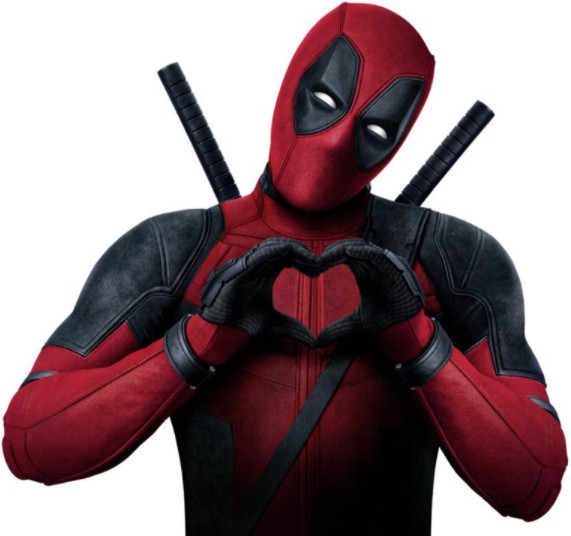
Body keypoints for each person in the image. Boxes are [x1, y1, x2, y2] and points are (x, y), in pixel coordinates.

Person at [3, 3, 566, 535]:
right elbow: (30, 440)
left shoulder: (451, 256)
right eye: (324, 99)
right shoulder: (175, 248)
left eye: (374, 130)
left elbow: (535, 483)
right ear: (292, 83)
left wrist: (418, 343)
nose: (336, 140)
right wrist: (196, 346)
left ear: (398, 142)